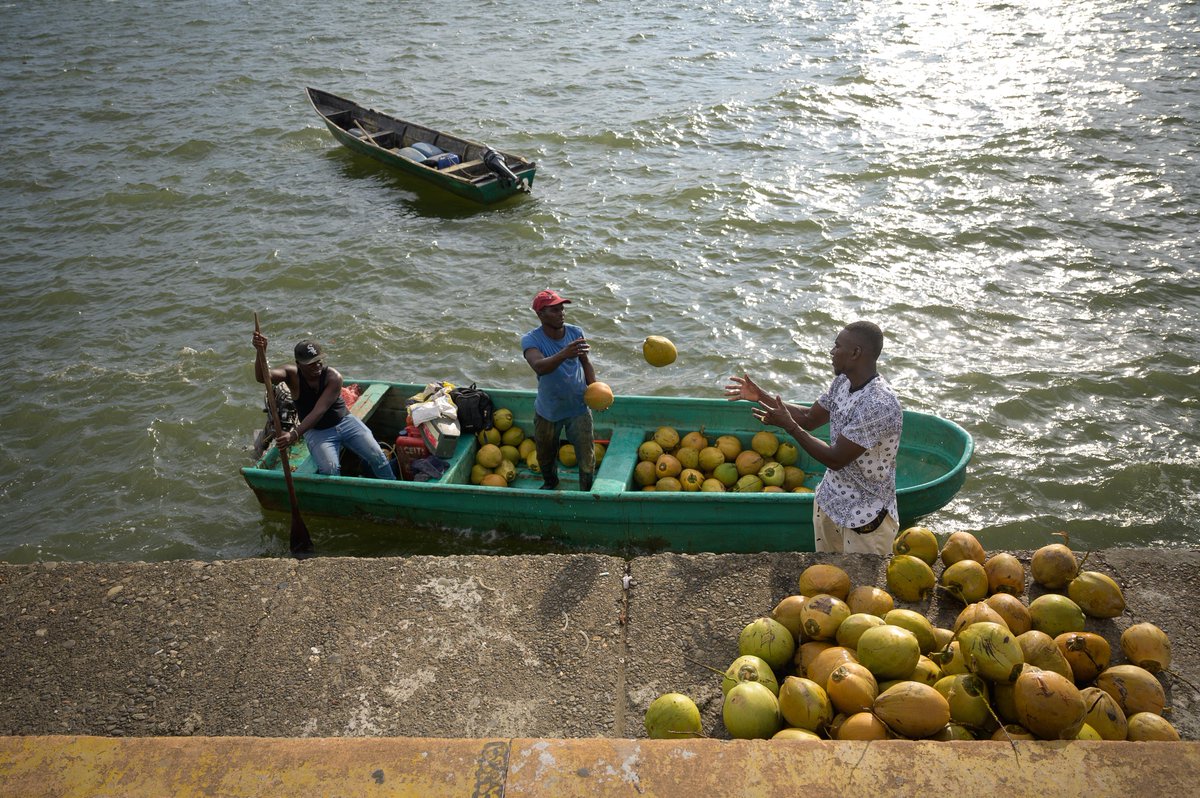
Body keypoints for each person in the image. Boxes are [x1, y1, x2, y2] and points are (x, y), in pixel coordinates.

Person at [725, 321, 902, 555]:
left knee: (860, 589)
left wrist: (789, 426)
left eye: (837, 346)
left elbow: (836, 458)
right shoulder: (843, 382)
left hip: (865, 518)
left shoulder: (878, 404)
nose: (831, 351)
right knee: (826, 581)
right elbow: (808, 417)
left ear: (855, 353)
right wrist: (760, 396)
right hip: (829, 503)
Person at [253, 331, 396, 480]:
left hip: (345, 422)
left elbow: (319, 411)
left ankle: (392, 485)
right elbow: (262, 377)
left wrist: (293, 434)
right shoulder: (292, 375)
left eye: (319, 360)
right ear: (298, 364)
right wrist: (260, 351)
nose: (317, 366)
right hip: (317, 431)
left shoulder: (333, 377)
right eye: (311, 363)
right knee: (330, 470)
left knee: (377, 455)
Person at [521, 289, 598, 491]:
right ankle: (550, 483)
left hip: (578, 408)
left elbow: (586, 363)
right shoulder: (531, 340)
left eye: (562, 309)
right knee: (545, 454)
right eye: (554, 310)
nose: (561, 313)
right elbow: (539, 366)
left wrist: (596, 391)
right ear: (540, 314)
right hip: (549, 410)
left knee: (586, 455)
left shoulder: (575, 332)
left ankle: (586, 490)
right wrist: (564, 353)